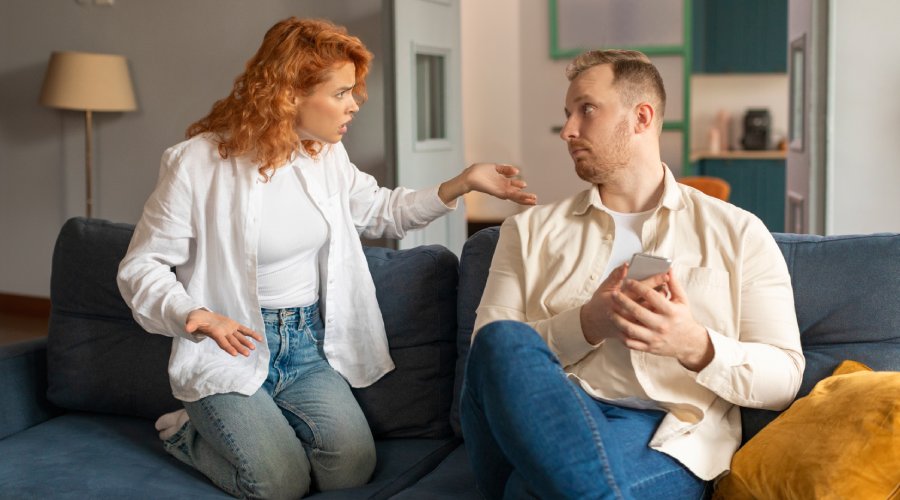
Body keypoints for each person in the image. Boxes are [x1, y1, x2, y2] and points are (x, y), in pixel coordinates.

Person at [117, 17, 535, 499]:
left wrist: (462, 183)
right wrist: (194, 313)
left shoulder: (324, 155)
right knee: (280, 484)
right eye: (340, 93)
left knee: (351, 470)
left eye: (352, 91)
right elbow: (141, 266)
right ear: (290, 93)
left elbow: (382, 211)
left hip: (304, 345)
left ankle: (260, 426)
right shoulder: (196, 162)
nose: (354, 104)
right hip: (228, 350)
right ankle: (186, 433)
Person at [459, 49, 804, 499]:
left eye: (586, 110)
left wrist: (694, 344)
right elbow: (486, 360)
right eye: (567, 114)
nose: (567, 130)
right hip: (542, 414)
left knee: (529, 492)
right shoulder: (527, 232)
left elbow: (784, 378)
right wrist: (587, 324)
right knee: (503, 338)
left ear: (641, 117)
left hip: (664, 434)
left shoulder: (738, 233)